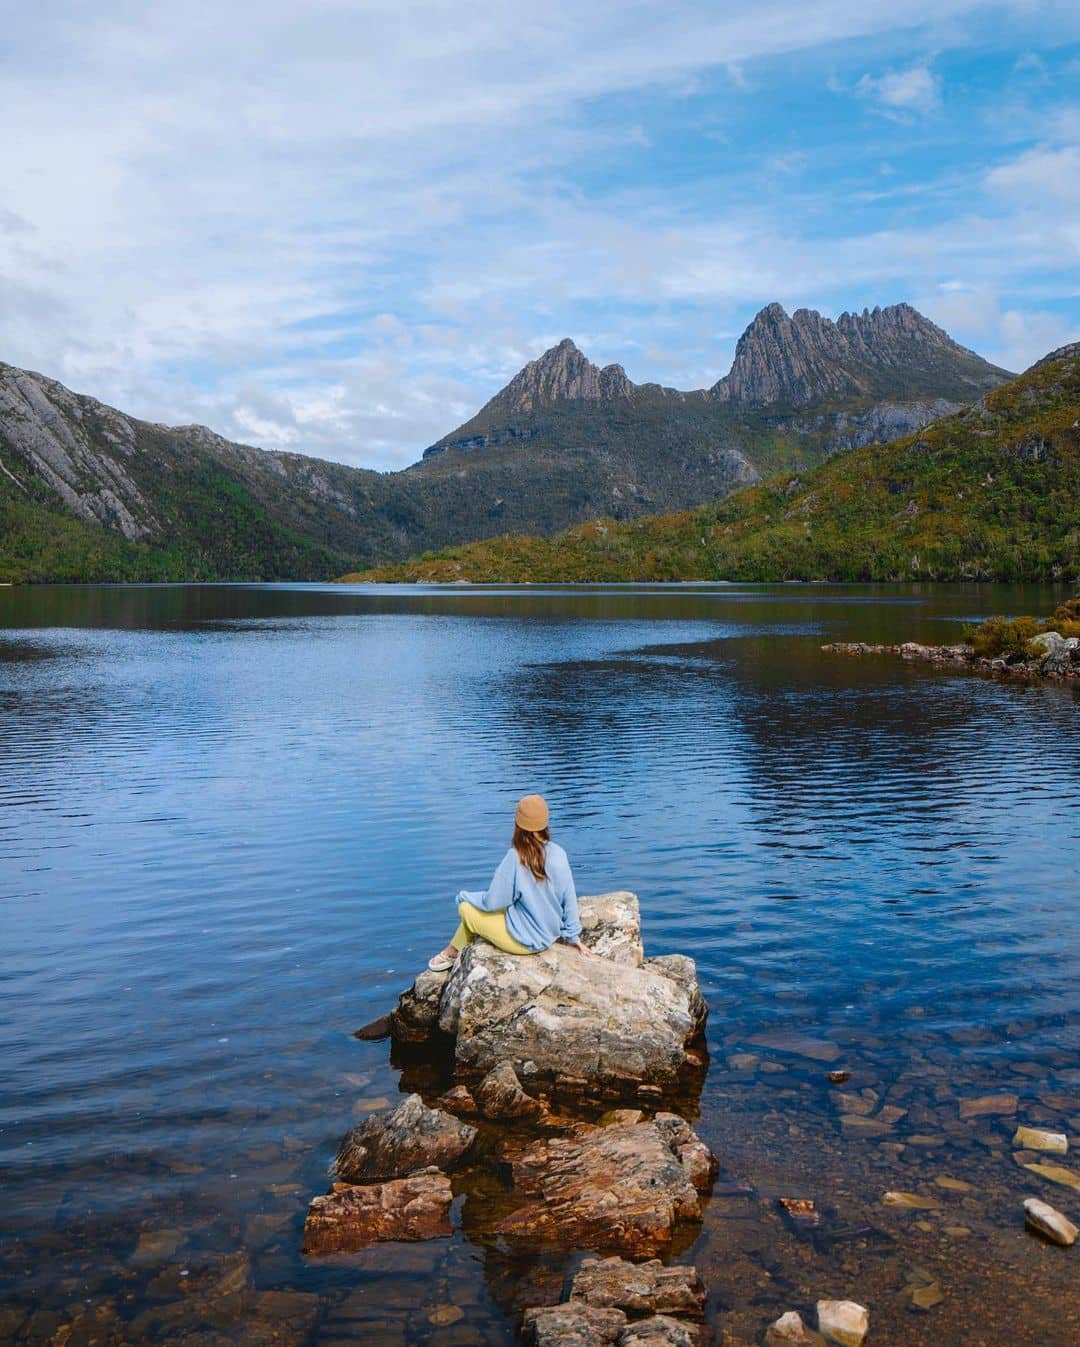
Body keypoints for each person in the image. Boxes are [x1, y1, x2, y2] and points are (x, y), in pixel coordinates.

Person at [428, 794, 592, 970]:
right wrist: (574, 938)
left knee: (466, 908)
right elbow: (569, 899)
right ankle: (452, 950)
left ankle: (451, 953)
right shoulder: (559, 853)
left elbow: (492, 902)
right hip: (548, 936)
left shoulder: (515, 857)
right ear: (545, 822)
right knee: (492, 909)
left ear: (518, 824)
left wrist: (464, 896)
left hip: (523, 942)